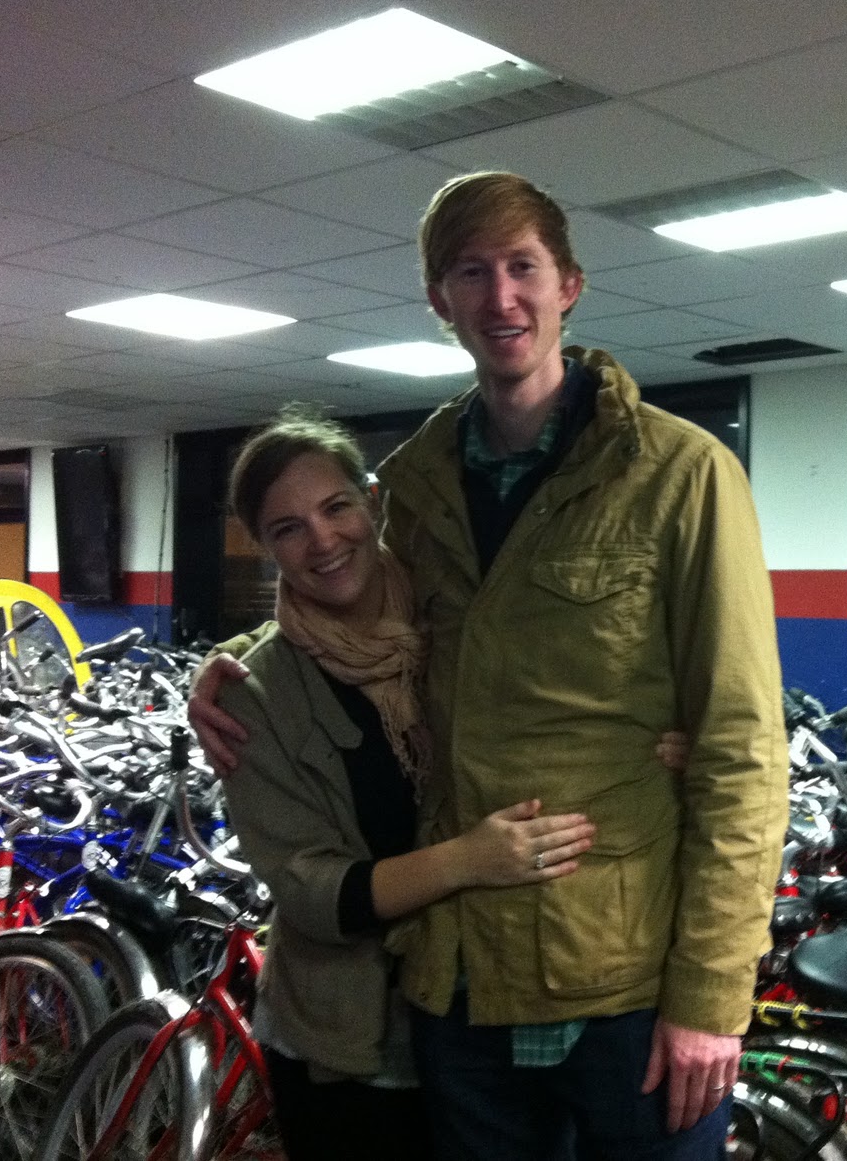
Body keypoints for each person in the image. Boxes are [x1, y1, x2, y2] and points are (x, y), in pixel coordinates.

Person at [192, 171, 789, 1160]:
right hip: (461, 987)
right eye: (471, 272)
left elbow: (743, 749)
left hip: (623, 985)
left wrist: (712, 996)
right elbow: (350, 596)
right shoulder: (417, 486)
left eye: (523, 267)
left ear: (569, 286)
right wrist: (218, 665)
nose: (500, 297)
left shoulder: (680, 475)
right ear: (440, 299)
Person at [210, 408, 601, 1160]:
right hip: (357, 1047)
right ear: (263, 547)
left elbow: (571, 687)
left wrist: (660, 740)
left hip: (487, 1011)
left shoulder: (453, 614)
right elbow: (310, 891)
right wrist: (468, 859)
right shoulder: (253, 694)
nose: (323, 540)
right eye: (288, 528)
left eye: (336, 507)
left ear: (372, 502)